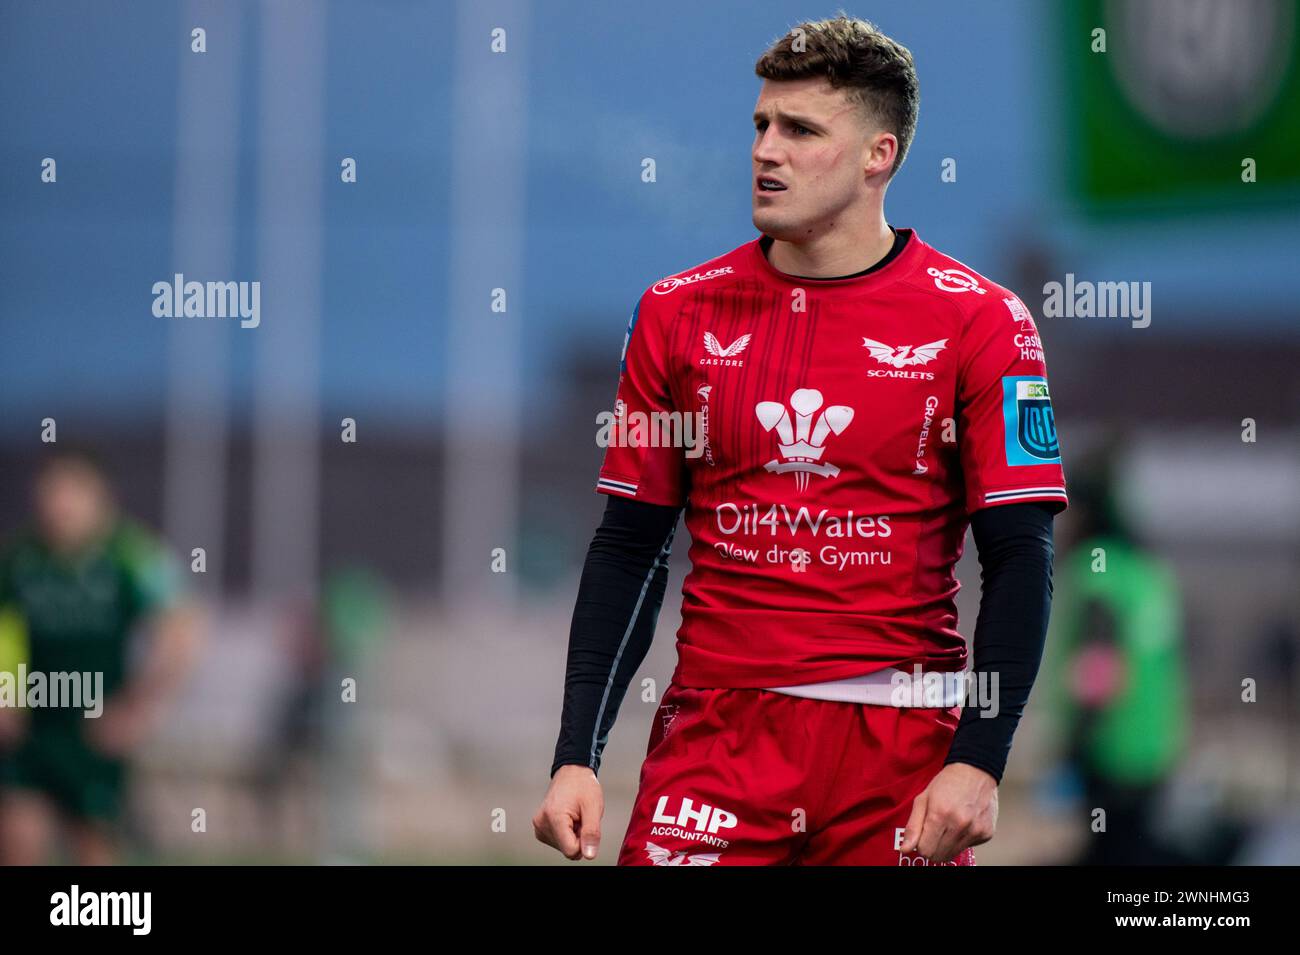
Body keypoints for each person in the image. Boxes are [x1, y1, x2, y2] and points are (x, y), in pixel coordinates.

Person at [534, 15, 1067, 865]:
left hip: (897, 749)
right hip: (718, 738)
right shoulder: (675, 315)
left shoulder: (984, 322)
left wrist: (979, 760)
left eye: (801, 130)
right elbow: (629, 549)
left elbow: (1022, 557)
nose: (766, 151)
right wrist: (577, 754)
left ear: (877, 155)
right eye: (760, 126)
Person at [0, 447, 200, 864]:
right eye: (50, 494)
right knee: (17, 837)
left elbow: (182, 628)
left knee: (92, 846)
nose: (58, 506)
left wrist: (137, 705)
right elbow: (4, 632)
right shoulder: (20, 558)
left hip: (93, 728)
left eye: (70, 493)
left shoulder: (130, 555)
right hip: (33, 725)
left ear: (99, 497)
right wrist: (5, 696)